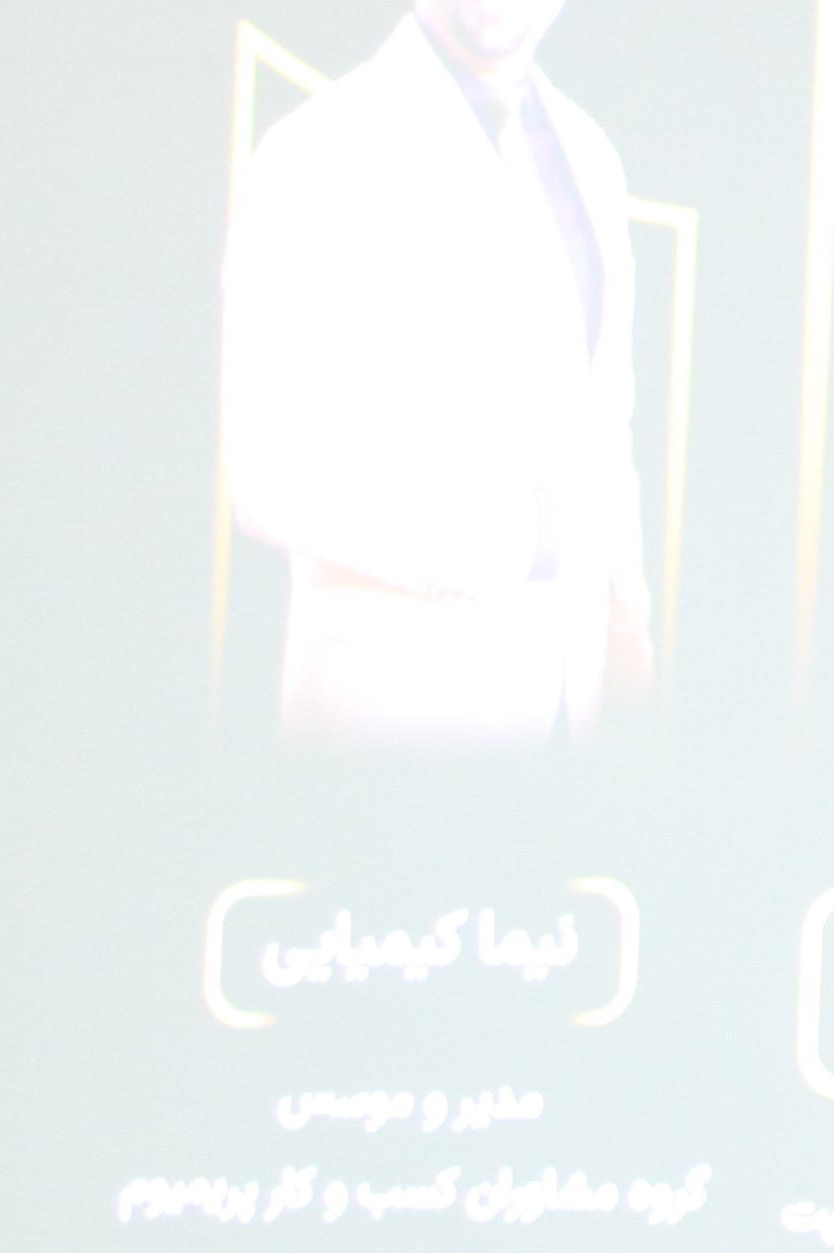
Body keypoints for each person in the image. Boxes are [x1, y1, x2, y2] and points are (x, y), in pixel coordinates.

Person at [220, 0, 654, 747]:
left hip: (572, 716)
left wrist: (627, 629)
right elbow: (273, 473)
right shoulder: (316, 150)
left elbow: (604, 422)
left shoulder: (590, 154)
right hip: (395, 717)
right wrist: (523, 540)